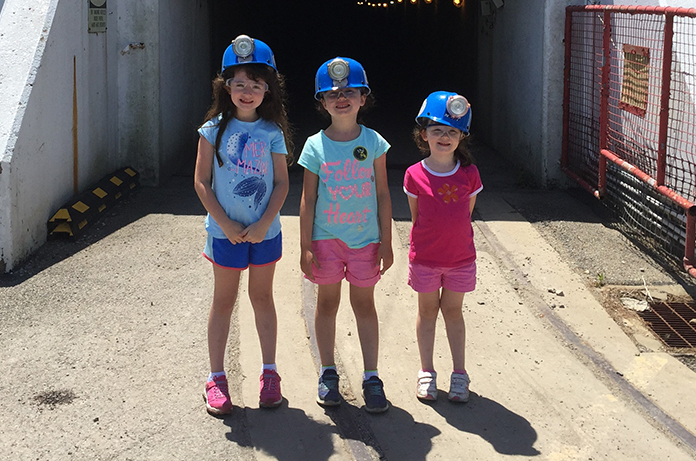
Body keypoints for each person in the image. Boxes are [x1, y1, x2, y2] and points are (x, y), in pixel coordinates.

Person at [194, 35, 292, 416]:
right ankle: (216, 378)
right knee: (223, 301)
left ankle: (270, 374)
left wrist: (265, 221)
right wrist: (225, 223)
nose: (247, 91)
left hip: (264, 232)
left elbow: (282, 182)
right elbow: (201, 181)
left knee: (262, 298)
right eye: (239, 84)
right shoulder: (212, 130)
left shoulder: (272, 132)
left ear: (267, 90)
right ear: (226, 87)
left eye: (255, 84)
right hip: (224, 234)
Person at [298, 57, 394, 413]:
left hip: (365, 241)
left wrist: (387, 241)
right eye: (332, 93)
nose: (341, 98)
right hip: (326, 241)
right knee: (327, 304)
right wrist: (305, 245)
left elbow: (383, 194)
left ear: (363, 98)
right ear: (321, 101)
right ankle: (328, 373)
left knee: (364, 305)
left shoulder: (374, 142)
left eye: (349, 91)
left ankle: (372, 377)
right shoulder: (314, 146)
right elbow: (307, 199)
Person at [403, 91, 482, 403]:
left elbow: (466, 214)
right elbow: (416, 217)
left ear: (462, 136)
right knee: (427, 312)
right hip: (424, 259)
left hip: (461, 259)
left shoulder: (469, 174)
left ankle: (459, 374)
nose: (444, 137)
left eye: (452, 131)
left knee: (453, 312)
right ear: (424, 135)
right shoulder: (413, 174)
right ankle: (427, 372)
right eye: (437, 130)